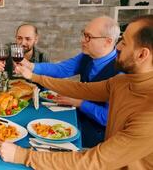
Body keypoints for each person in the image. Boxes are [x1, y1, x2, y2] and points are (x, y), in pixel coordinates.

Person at [0, 15, 153, 169]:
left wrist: (22, 156)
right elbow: (79, 89)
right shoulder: (123, 82)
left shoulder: (148, 114)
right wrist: (34, 76)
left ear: (142, 54)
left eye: (124, 43)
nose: (117, 47)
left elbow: (94, 161)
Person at [18, 16, 121, 148]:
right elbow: (61, 69)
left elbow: (107, 117)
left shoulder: (120, 72)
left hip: (96, 138)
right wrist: (30, 65)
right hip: (78, 118)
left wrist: (79, 103)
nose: (82, 40)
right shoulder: (87, 56)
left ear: (108, 41)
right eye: (84, 34)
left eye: (89, 37)